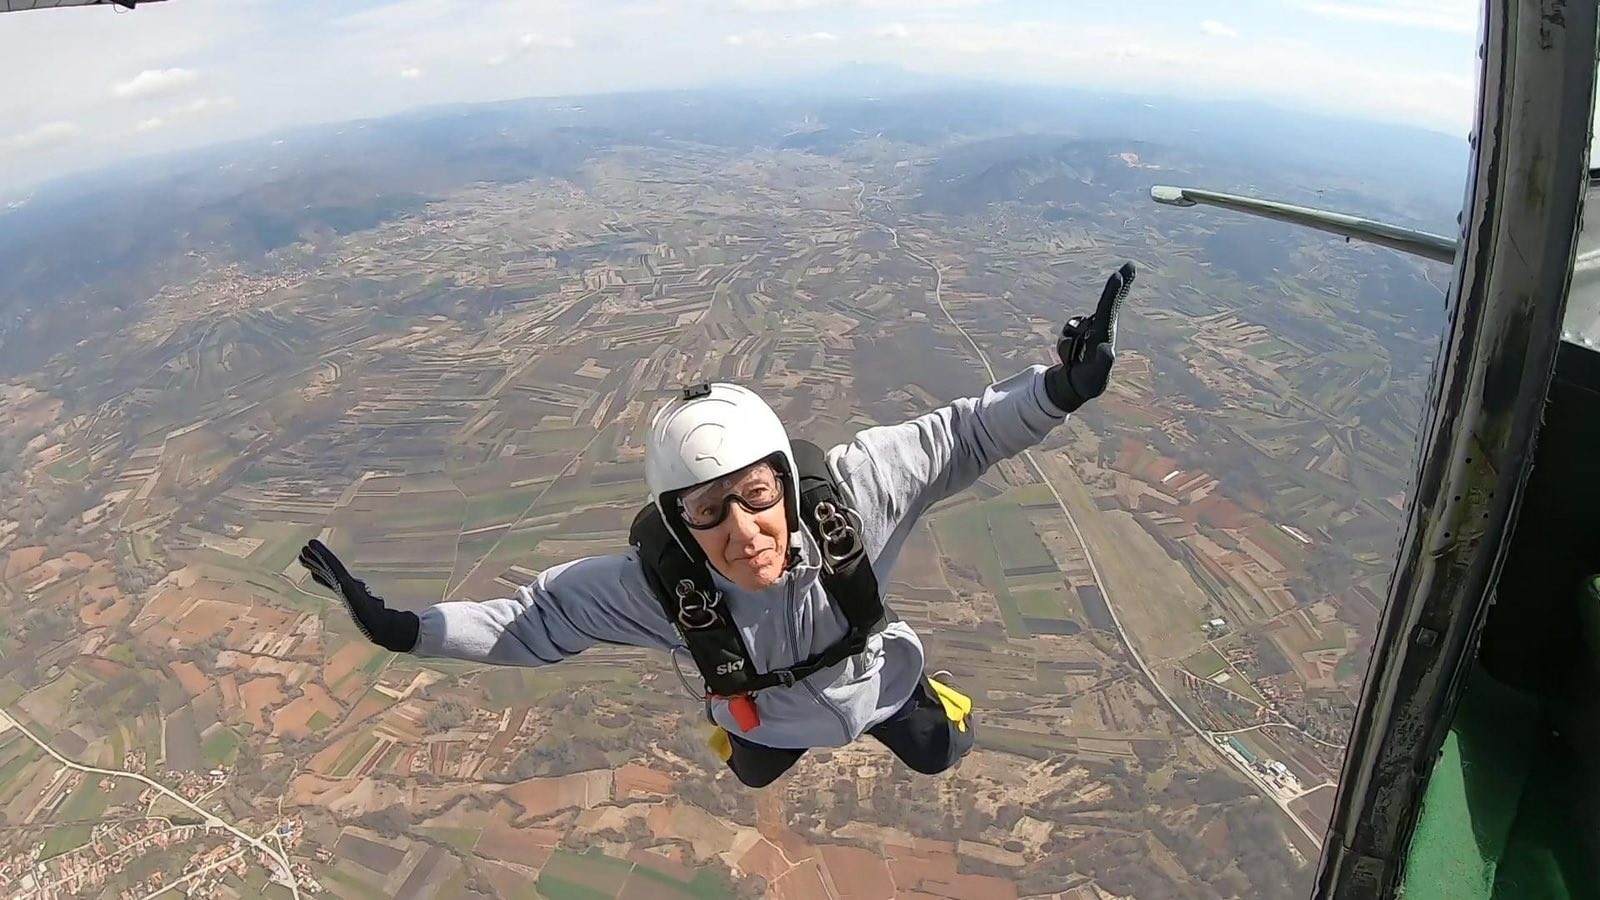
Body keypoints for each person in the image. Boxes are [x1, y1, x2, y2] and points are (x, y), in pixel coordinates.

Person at [297, 261, 1135, 787]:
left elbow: (963, 435)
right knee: (755, 772)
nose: (743, 530)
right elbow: (530, 621)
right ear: (678, 523)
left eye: (758, 494)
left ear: (788, 485)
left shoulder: (852, 500)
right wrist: (408, 631)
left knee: (940, 750)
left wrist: (1059, 390)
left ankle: (924, 697)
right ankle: (745, 735)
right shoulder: (657, 590)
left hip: (873, 685)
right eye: (708, 510)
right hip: (764, 714)